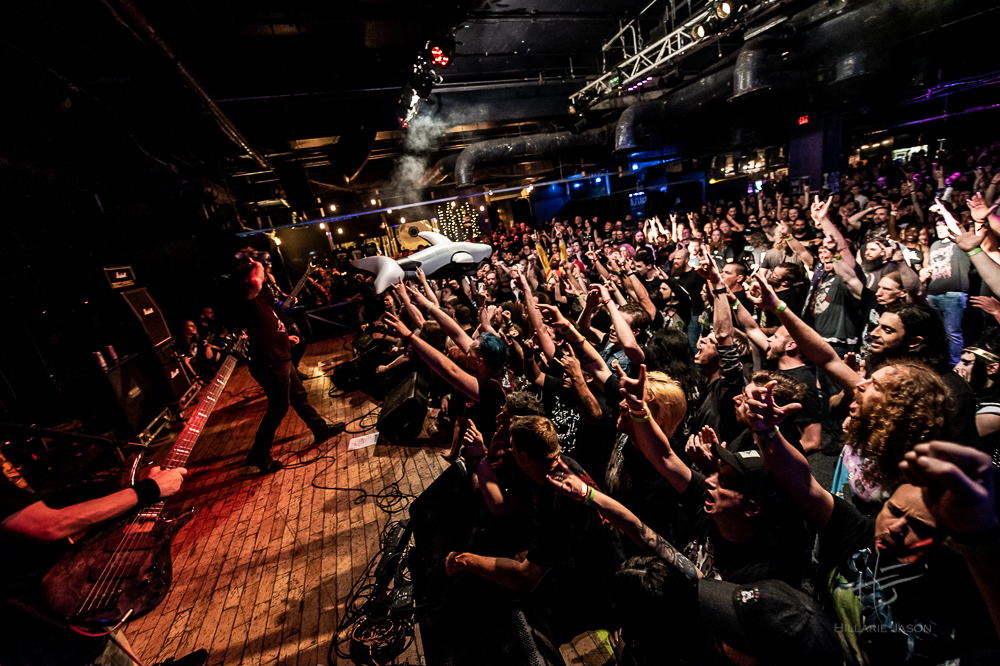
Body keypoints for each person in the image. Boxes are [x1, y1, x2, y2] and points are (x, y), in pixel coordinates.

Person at [0, 464, 203, 666]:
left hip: (72, 596)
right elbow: (48, 525)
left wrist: (128, 492)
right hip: (37, 621)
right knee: (96, 655)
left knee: (109, 644)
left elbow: (41, 505)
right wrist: (149, 489)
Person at [444, 416, 624, 643]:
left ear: (524, 457)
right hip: (591, 566)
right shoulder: (563, 463)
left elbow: (525, 578)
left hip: (598, 588)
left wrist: (465, 560)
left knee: (538, 633)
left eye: (512, 448)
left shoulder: (557, 505)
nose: (509, 450)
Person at [234, 255, 345, 473]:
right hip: (270, 360)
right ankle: (259, 454)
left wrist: (285, 337)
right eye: (254, 265)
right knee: (279, 406)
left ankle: (320, 429)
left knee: (299, 395)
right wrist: (258, 264)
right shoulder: (243, 294)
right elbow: (255, 281)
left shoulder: (260, 297)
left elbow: (266, 323)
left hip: (279, 354)